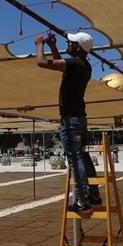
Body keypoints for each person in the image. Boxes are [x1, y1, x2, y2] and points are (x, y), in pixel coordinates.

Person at [36, 31, 100, 212]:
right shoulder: (84, 66)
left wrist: (39, 44)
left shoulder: (75, 63)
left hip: (70, 119)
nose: (69, 45)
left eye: (72, 43)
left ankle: (82, 201)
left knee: (75, 158)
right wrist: (53, 46)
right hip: (79, 118)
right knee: (84, 156)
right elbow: (61, 64)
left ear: (78, 47)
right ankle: (94, 195)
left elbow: (41, 62)